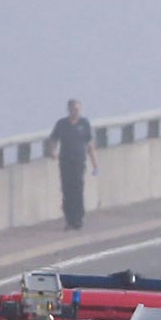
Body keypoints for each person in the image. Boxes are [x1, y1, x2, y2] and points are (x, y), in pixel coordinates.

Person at [47, 98, 98, 231]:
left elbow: (90, 145)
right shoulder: (62, 124)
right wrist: (52, 151)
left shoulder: (84, 123)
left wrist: (95, 164)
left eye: (78, 109)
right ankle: (69, 220)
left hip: (79, 161)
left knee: (78, 189)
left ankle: (78, 219)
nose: (76, 112)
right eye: (73, 109)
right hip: (65, 161)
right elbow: (54, 139)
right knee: (67, 190)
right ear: (69, 110)